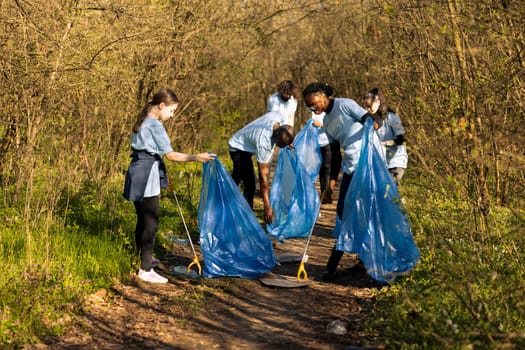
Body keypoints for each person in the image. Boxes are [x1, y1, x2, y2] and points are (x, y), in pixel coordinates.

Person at [123, 88, 216, 283]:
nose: (172, 115)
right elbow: (171, 155)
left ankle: (143, 257)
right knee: (151, 221)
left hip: (136, 170)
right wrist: (197, 157)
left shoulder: (142, 120)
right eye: (172, 111)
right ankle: (145, 269)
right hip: (147, 174)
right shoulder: (155, 125)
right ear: (161, 105)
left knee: (142, 217)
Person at [302, 82, 382, 280]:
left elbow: (370, 118)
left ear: (322, 96)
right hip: (350, 167)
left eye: (314, 103)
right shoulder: (327, 122)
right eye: (309, 106)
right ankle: (357, 261)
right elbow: (335, 157)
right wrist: (329, 186)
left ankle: (347, 265)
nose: (313, 108)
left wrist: (376, 123)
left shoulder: (345, 104)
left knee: (367, 211)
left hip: (367, 163)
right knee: (342, 212)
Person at [228, 111, 294, 223]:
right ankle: (245, 220)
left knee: (235, 181)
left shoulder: (281, 117)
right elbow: (263, 179)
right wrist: (267, 207)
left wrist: (289, 142)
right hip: (238, 148)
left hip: (244, 143)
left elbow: (287, 132)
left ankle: (227, 205)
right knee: (250, 185)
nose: (280, 148)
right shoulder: (264, 142)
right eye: (280, 145)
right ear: (276, 136)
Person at [362, 88, 407, 185]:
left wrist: (385, 143)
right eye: (366, 107)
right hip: (381, 161)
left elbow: (401, 139)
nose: (368, 109)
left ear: (378, 102)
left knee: (390, 190)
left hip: (395, 161)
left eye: (370, 106)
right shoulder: (370, 120)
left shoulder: (391, 117)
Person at [311, 111, 342, 205]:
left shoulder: (330, 110)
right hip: (319, 144)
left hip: (331, 142)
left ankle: (329, 192)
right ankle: (325, 194)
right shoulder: (311, 112)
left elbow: (336, 127)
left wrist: (320, 125)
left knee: (331, 168)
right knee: (324, 169)